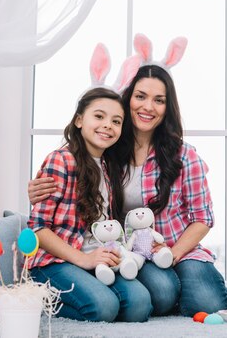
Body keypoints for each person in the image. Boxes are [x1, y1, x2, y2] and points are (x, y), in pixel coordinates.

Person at [29, 36, 227, 317]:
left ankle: (205, 288)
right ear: (128, 100)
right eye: (140, 96)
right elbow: (70, 187)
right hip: (134, 251)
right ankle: (172, 292)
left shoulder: (184, 155)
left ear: (167, 107)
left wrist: (172, 254)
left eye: (158, 100)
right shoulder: (110, 152)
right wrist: (37, 189)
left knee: (209, 304)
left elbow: (203, 219)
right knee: (161, 296)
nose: (148, 107)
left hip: (178, 248)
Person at [28, 87, 152, 322]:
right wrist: (84, 260)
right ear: (78, 120)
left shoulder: (106, 166)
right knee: (104, 307)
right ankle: (35, 298)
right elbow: (37, 229)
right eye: (99, 116)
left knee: (139, 304)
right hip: (54, 261)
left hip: (95, 256)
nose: (108, 125)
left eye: (116, 121)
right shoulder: (61, 160)